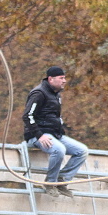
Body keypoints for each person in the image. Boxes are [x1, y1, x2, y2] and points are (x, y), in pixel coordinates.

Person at [23, 66, 88, 197]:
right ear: (51, 79)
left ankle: (61, 181)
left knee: (82, 151)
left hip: (55, 135)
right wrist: (39, 136)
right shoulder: (39, 93)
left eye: (64, 78)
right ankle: (50, 182)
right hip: (38, 135)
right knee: (59, 150)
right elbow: (27, 116)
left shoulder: (55, 94)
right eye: (61, 78)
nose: (64, 81)